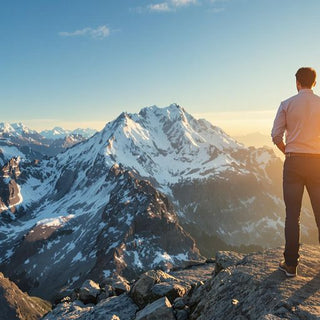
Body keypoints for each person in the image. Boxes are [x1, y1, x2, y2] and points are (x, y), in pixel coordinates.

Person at [271, 67, 320, 277]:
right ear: (314, 83)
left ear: (297, 82)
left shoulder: (286, 104)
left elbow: (275, 135)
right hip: (317, 162)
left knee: (293, 215)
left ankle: (291, 265)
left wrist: (288, 151)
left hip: (293, 162)